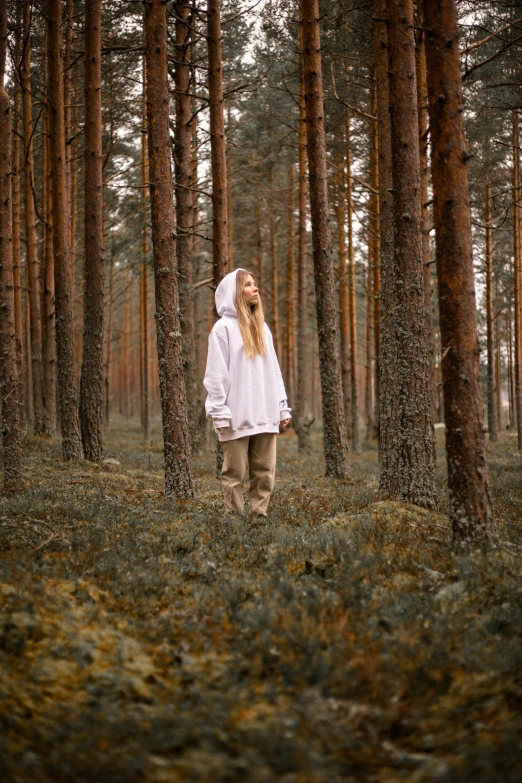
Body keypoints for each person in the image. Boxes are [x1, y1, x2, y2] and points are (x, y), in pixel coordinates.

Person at [203, 268, 291, 519]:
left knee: (265, 471)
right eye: (248, 285)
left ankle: (258, 522)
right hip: (236, 415)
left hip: (265, 413)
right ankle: (233, 522)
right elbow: (216, 374)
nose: (255, 288)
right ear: (234, 291)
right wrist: (219, 411)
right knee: (234, 474)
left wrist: (281, 406)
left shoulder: (262, 328)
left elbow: (273, 370)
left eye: (255, 284)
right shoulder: (223, 329)